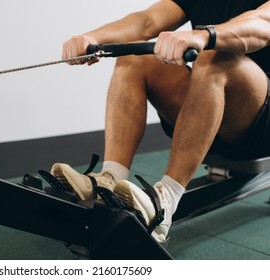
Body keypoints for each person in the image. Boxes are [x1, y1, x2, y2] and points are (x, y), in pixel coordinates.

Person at [50, 0, 270, 243]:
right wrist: (91, 37)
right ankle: (110, 179)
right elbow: (146, 21)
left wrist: (204, 35)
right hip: (210, 110)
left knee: (213, 57)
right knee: (135, 53)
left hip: (261, 127)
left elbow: (262, 24)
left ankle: (165, 203)